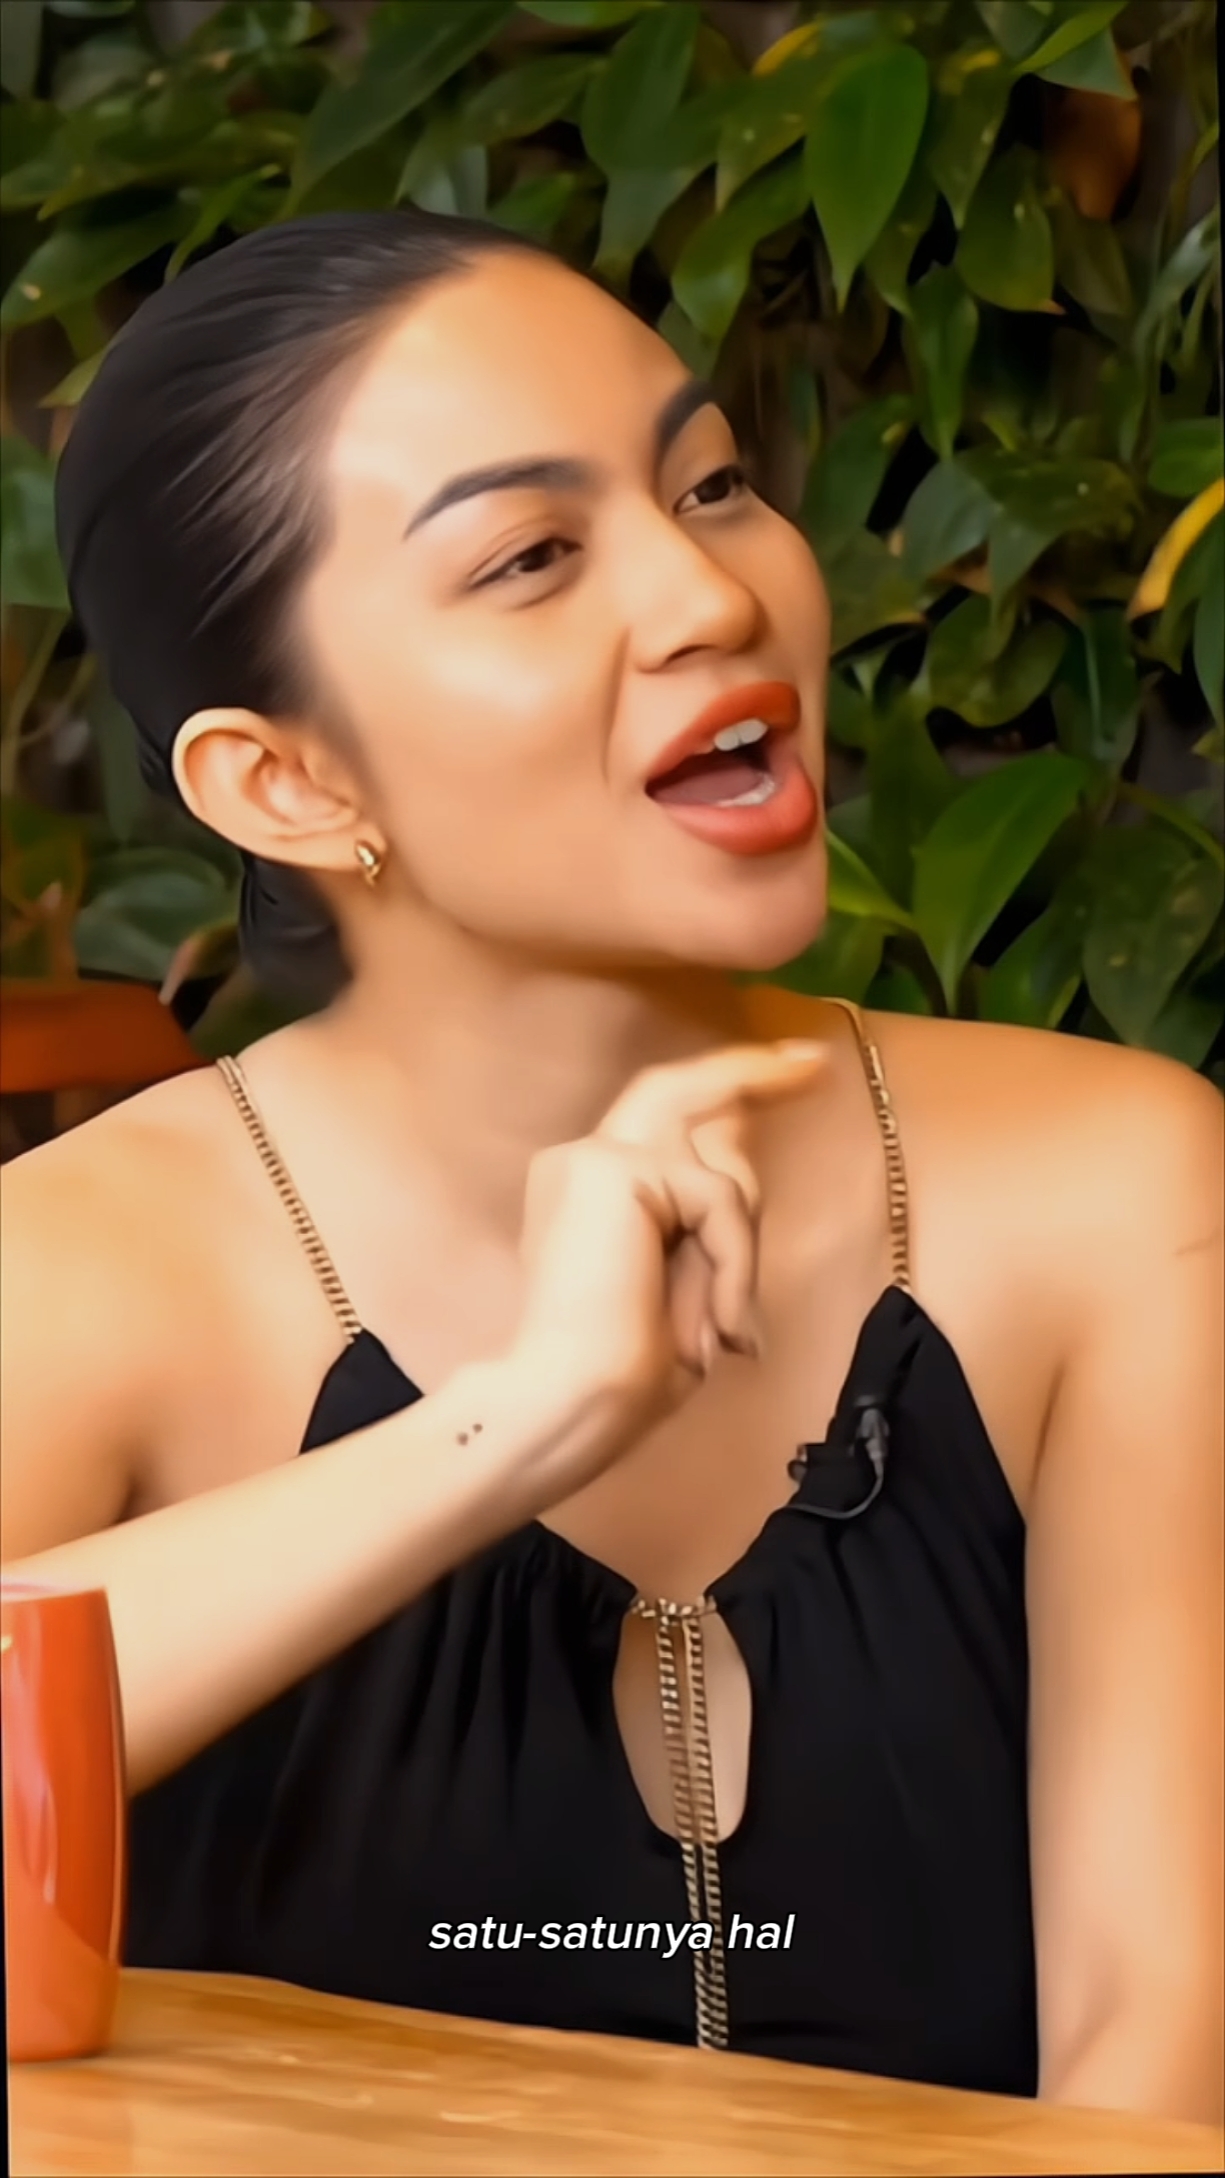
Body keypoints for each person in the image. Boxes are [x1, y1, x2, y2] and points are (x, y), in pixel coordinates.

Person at [1, 209, 1220, 2124]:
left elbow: (1157, 2054)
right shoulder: (80, 1272)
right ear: (289, 782)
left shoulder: (1113, 1188)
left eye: (711, 482)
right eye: (530, 556)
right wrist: (513, 1423)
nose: (709, 591)